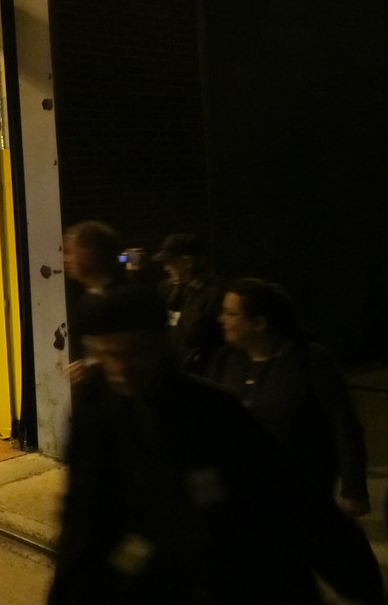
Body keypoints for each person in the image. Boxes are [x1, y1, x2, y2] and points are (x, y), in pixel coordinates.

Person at [49, 285, 322, 605]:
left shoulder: (214, 411)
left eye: (134, 352)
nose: (121, 368)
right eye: (108, 354)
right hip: (133, 584)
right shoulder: (95, 412)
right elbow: (81, 516)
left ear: (160, 344)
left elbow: (277, 508)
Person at [208, 277, 382, 604]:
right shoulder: (227, 361)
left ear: (260, 322)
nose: (222, 319)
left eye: (232, 314)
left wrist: (353, 487)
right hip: (247, 496)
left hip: (301, 488)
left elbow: (343, 423)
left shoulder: (310, 360)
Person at [152, 233, 223, 374]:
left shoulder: (214, 294)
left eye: (170, 262)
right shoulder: (167, 288)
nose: (166, 268)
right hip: (174, 371)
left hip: (201, 373)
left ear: (188, 262)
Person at [62, 220, 125, 364]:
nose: (65, 260)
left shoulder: (126, 301)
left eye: (69, 252)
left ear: (89, 254)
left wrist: (94, 366)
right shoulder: (89, 298)